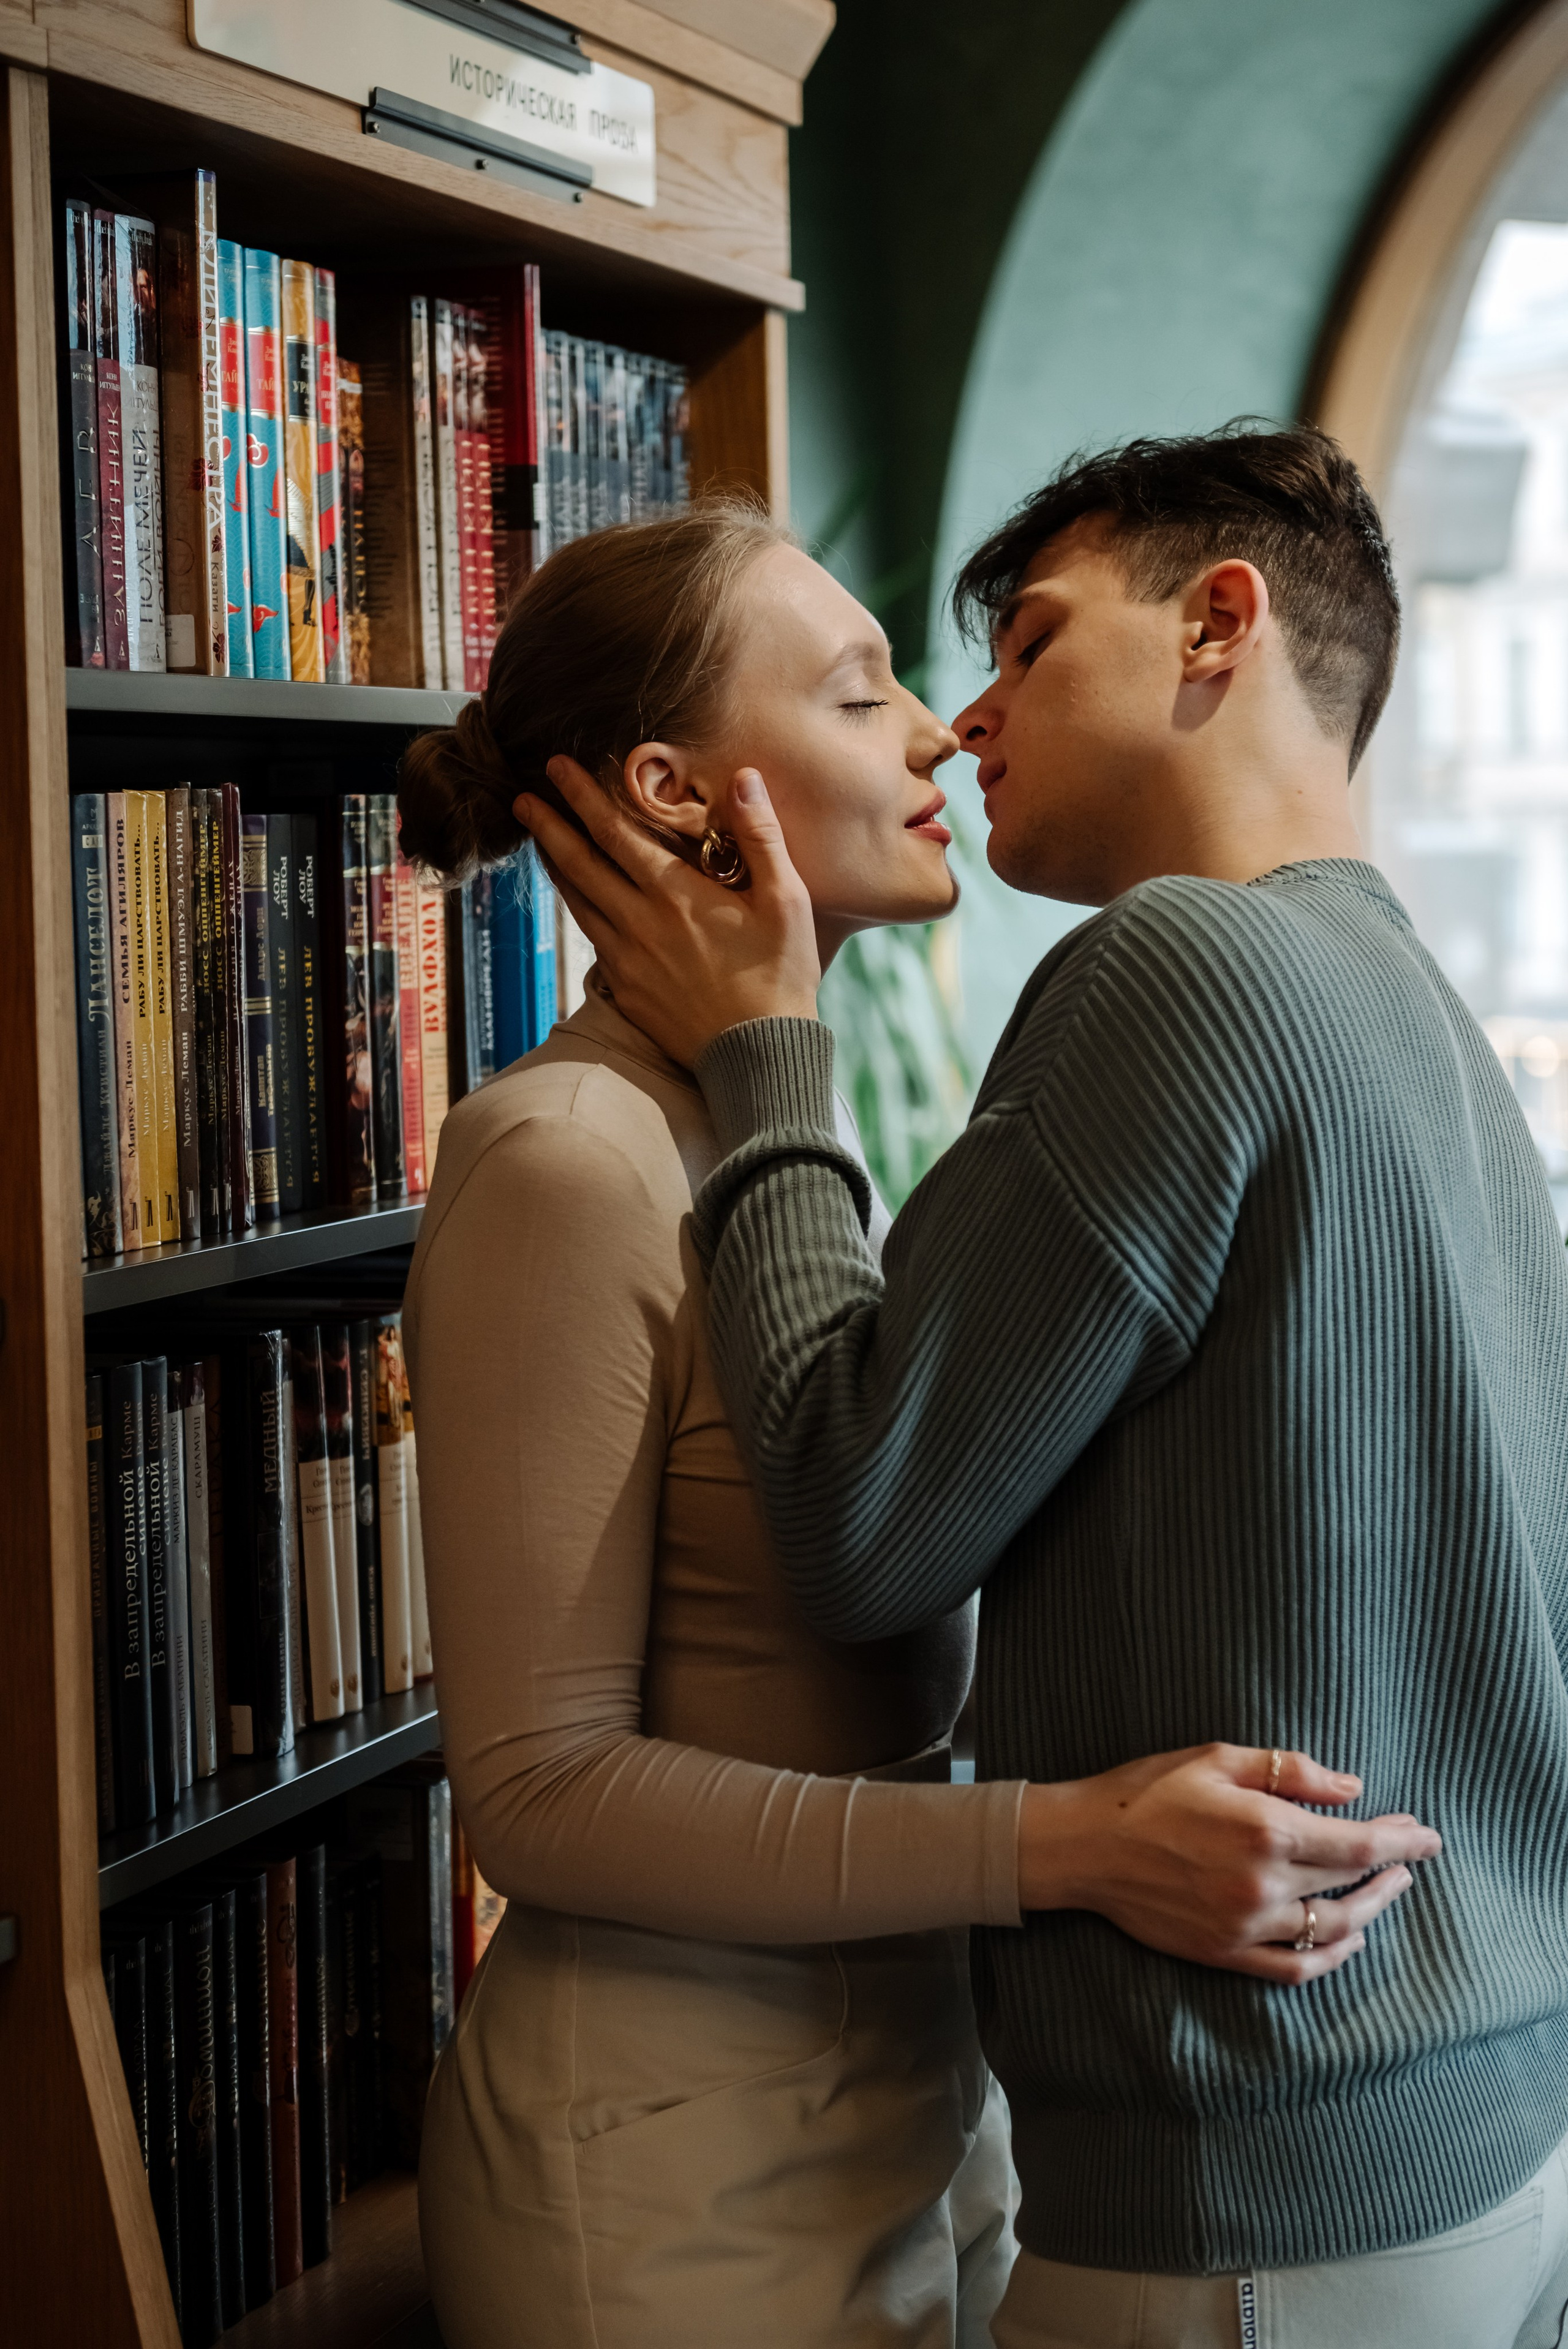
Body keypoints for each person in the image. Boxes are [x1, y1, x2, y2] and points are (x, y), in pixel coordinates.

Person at [522, 429, 1568, 2349]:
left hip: (1253, 2190)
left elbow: (860, 1520)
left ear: (1217, 626)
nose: (964, 720)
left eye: (1027, 639)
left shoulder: (1180, 962)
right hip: (1490, 2144)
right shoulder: (1432, 1025)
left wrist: (768, 1051)